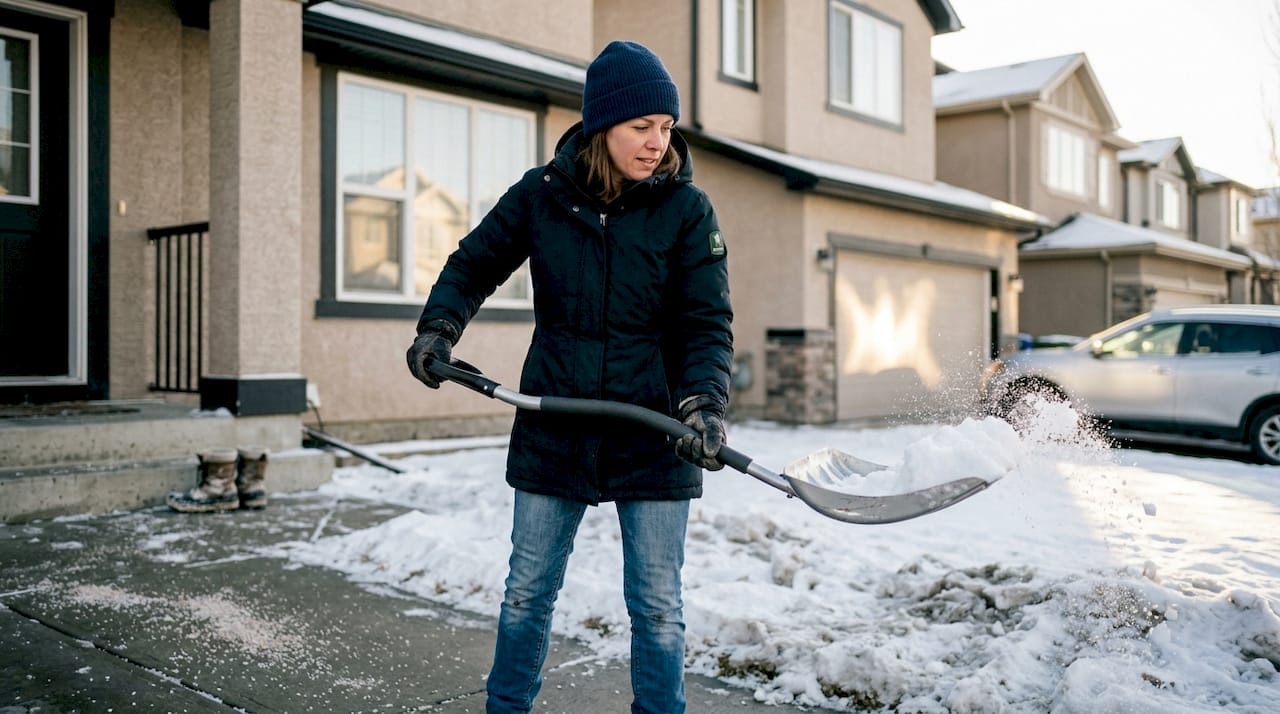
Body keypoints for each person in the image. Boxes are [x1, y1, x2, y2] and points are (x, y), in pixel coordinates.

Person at [406, 40, 733, 714]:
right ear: (602, 125)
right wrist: (439, 329)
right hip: (554, 419)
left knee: (657, 605)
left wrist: (704, 401)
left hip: (653, 428)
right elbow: (472, 265)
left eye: (666, 126)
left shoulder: (687, 210)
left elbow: (706, 321)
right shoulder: (542, 195)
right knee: (527, 591)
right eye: (641, 126)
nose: (657, 143)